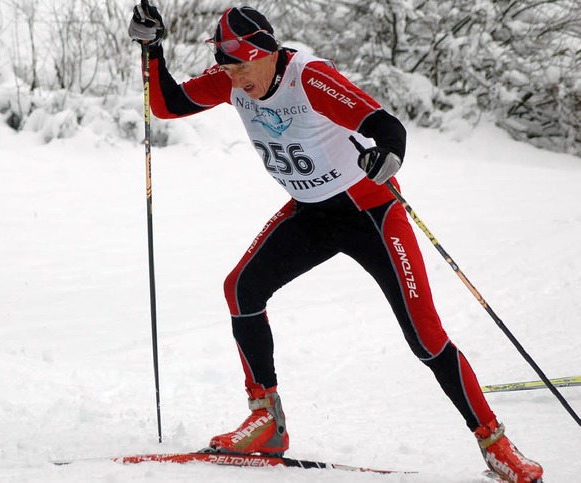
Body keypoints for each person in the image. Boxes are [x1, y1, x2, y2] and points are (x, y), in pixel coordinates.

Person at [128, 5, 544, 482]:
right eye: (227, 64)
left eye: (243, 63)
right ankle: (267, 420)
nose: (235, 75)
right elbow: (166, 105)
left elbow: (385, 126)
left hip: (371, 214)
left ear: (267, 52)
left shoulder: (309, 77)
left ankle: (495, 443)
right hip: (312, 213)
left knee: (425, 336)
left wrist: (388, 155)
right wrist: (153, 51)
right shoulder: (229, 81)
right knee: (241, 290)